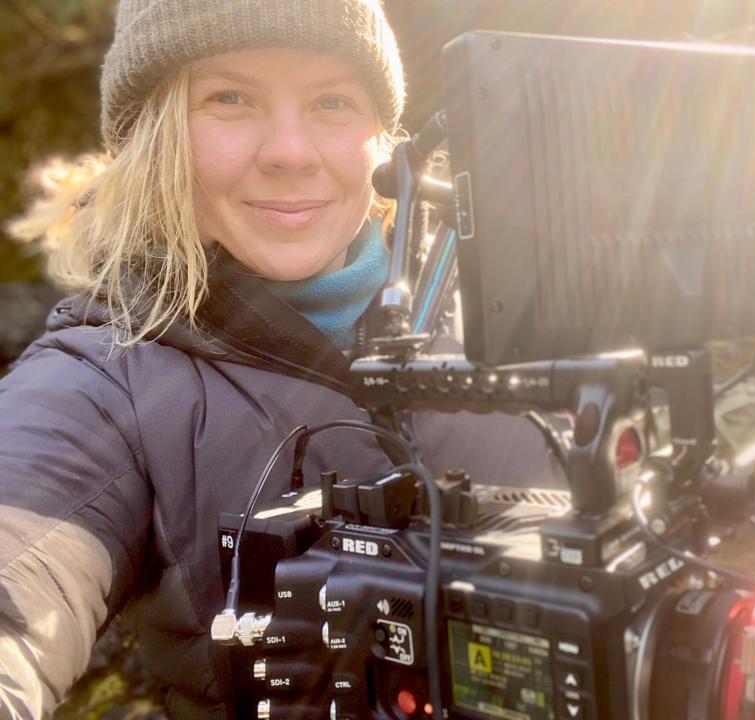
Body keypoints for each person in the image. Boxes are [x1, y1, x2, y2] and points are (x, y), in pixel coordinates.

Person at [0, 1, 563, 717]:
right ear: (155, 138)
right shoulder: (104, 381)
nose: (291, 151)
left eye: (332, 100)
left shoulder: (510, 306)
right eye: (230, 98)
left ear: (383, 141)